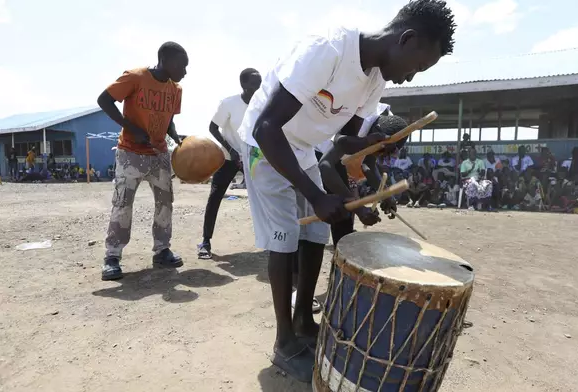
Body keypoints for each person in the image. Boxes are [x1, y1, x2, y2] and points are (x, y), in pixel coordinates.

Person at [235, 0, 455, 382]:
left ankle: (304, 320)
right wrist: (317, 195)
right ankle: (284, 341)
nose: (411, 78)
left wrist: (371, 143)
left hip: (302, 148)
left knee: (316, 233)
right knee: (285, 237)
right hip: (264, 145)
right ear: (407, 39)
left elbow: (342, 141)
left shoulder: (375, 80)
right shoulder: (328, 50)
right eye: (418, 66)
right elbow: (266, 127)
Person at [97, 41, 188, 281]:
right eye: (182, 65)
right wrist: (131, 127)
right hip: (130, 153)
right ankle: (112, 257)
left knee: (165, 203)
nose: (185, 72)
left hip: (158, 155)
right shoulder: (135, 77)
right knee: (123, 203)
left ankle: (161, 250)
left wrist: (175, 136)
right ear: (166, 61)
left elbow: (168, 119)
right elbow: (104, 100)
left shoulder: (175, 89)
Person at [197, 68, 262, 259]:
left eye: (260, 85)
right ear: (243, 85)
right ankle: (205, 242)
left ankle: (272, 241)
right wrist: (232, 150)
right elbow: (212, 127)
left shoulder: (261, 104)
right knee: (215, 196)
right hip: (228, 158)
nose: (258, 89)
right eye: (253, 85)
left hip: (253, 157)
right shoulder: (228, 103)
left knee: (264, 198)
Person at [319, 114, 409, 246]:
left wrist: (385, 194)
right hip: (316, 154)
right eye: (382, 150)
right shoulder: (356, 123)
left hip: (334, 160)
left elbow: (368, 164)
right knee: (341, 216)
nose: (382, 155)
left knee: (346, 218)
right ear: (376, 132)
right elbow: (325, 166)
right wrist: (358, 208)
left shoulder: (386, 124)